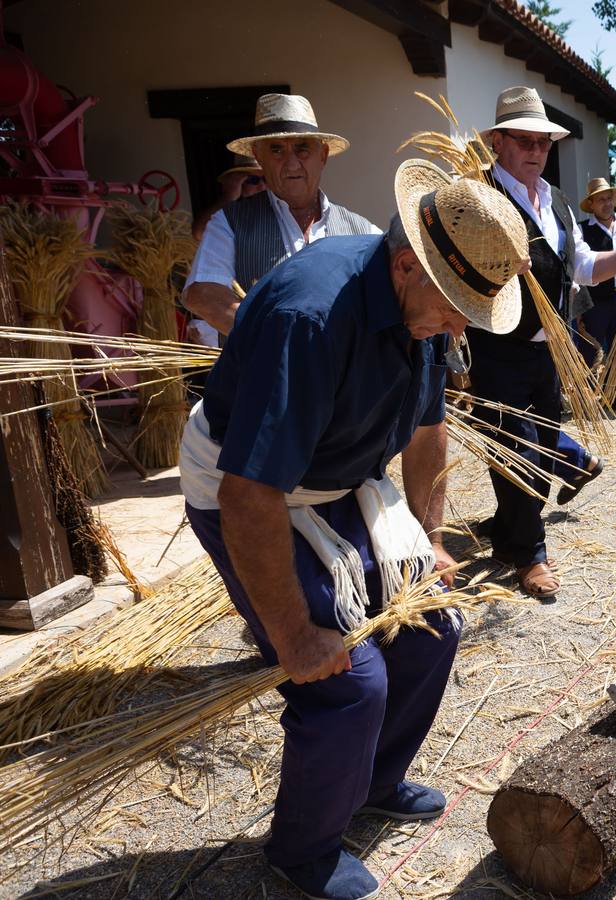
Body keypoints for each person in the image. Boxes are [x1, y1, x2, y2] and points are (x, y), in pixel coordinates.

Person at [177, 164, 529, 900]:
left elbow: (427, 435)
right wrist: (294, 633)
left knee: (435, 627)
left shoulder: (422, 306)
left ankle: (371, 782)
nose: (462, 325)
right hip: (249, 491)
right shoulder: (310, 317)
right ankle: (301, 850)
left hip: (343, 481)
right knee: (344, 679)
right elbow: (250, 495)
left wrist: (428, 540)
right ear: (405, 265)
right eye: (458, 306)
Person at [475, 86, 616, 600]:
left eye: (544, 143)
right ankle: (531, 553)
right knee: (515, 449)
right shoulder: (477, 198)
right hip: (497, 348)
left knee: (523, 446)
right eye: (525, 141)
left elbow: (584, 267)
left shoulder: (556, 201)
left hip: (549, 348)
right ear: (498, 142)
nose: (536, 151)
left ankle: (509, 530)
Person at [183, 93, 381, 335]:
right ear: (258, 156)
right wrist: (278, 340)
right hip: (263, 371)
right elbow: (203, 294)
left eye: (302, 148)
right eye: (277, 150)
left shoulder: (364, 232)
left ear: (323, 155)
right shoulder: (229, 223)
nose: (292, 164)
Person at [578, 176, 616, 410]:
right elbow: (580, 267)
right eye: (599, 200)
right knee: (590, 347)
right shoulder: (584, 231)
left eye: (608, 199)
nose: (605, 204)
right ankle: (586, 397)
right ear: (591, 205)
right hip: (595, 299)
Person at [192, 156, 266, 241]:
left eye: (265, 179)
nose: (262, 187)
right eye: (253, 180)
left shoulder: (278, 206)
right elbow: (199, 233)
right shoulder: (233, 214)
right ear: (238, 182)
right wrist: (229, 197)